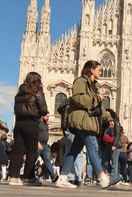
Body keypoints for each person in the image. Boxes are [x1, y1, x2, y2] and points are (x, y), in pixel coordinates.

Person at [55, 60, 121, 189]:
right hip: (82, 121)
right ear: (92, 70)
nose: (101, 72)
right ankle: (103, 178)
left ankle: (62, 177)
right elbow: (78, 98)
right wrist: (97, 98)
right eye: (99, 69)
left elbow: (98, 107)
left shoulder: (92, 86)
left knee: (74, 150)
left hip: (88, 121)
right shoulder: (80, 82)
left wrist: (108, 118)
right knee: (93, 146)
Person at [9, 71, 49, 186]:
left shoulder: (19, 93)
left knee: (17, 150)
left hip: (19, 123)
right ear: (37, 80)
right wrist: (40, 112)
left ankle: (13, 177)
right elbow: (43, 109)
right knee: (32, 151)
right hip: (31, 123)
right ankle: (29, 177)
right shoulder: (37, 91)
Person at [37, 113, 59, 183]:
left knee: (47, 161)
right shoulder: (38, 123)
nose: (48, 118)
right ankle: (27, 175)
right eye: (47, 116)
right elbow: (34, 133)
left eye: (49, 116)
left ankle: (53, 176)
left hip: (45, 145)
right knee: (32, 160)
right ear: (42, 116)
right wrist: (37, 143)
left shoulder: (45, 124)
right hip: (38, 144)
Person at [106, 108, 122, 182]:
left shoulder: (116, 122)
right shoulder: (108, 123)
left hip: (115, 145)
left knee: (114, 163)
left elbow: (118, 134)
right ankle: (117, 175)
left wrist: (114, 145)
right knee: (105, 162)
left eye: (108, 113)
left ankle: (113, 178)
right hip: (109, 144)